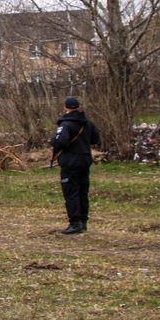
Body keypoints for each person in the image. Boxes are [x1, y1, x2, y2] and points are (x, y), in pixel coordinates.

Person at [50, 96, 100, 235]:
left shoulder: (65, 125)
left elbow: (59, 142)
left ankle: (75, 223)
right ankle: (83, 222)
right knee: (83, 192)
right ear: (79, 107)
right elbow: (95, 139)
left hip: (70, 163)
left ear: (65, 108)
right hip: (85, 161)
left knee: (71, 193)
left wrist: (53, 142)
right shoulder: (88, 123)